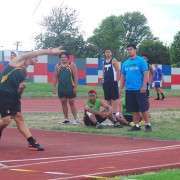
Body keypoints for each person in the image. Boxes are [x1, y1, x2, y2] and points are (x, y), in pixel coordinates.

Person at [0, 47, 65, 151]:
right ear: (30, 57)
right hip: (4, 94)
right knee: (6, 120)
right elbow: (32, 53)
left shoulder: (24, 72)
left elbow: (18, 90)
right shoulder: (16, 62)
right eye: (36, 58)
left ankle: (31, 142)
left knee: (19, 118)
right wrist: (49, 51)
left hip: (14, 96)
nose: (37, 60)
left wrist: (21, 90)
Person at [120, 44, 152, 132]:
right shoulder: (125, 63)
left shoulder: (141, 61)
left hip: (139, 89)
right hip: (129, 89)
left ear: (135, 50)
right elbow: (123, 77)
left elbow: (146, 74)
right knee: (134, 109)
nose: (129, 51)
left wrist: (144, 85)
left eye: (131, 49)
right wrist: (120, 88)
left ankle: (148, 125)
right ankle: (136, 125)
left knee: (143, 108)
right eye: (128, 50)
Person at [53, 52, 80, 125]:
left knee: (71, 102)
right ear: (60, 58)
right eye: (62, 57)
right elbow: (55, 77)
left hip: (70, 87)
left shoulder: (72, 65)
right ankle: (66, 119)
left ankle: (76, 119)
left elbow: (76, 77)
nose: (63, 58)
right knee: (63, 102)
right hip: (61, 87)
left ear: (67, 58)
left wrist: (75, 87)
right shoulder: (57, 66)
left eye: (65, 57)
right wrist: (54, 87)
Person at [102, 49, 120, 118]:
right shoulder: (104, 61)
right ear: (104, 53)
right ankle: (109, 114)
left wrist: (117, 81)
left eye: (109, 52)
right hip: (106, 83)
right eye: (106, 52)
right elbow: (103, 71)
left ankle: (115, 113)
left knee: (114, 98)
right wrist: (103, 79)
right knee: (107, 99)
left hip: (113, 82)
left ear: (111, 53)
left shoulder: (113, 60)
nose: (107, 53)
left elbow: (118, 70)